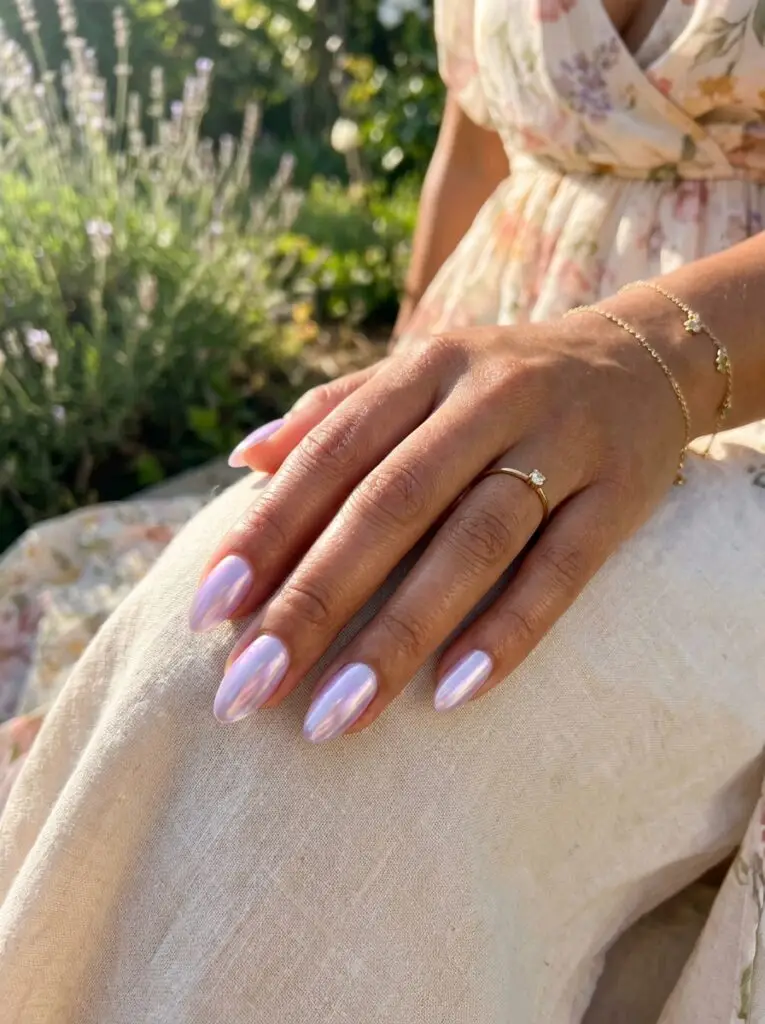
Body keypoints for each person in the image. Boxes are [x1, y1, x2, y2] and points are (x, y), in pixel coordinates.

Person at [1, 0, 765, 1020]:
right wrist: (404, 366)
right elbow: (480, 137)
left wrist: (650, 358)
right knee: (219, 644)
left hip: (727, 379)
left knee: (333, 736)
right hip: (509, 349)